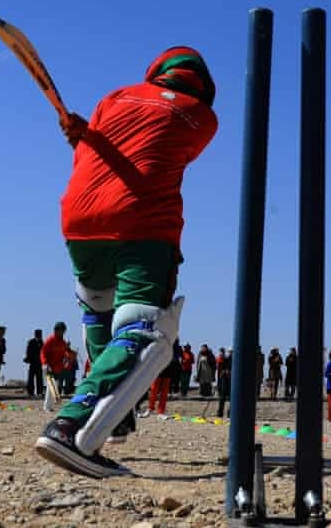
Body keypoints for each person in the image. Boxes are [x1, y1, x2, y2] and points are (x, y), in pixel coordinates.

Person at [33, 46, 218, 478]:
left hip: (80, 218)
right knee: (145, 329)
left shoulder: (113, 99)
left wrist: (85, 134)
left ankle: (118, 414)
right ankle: (71, 425)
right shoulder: (203, 118)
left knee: (98, 309)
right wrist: (90, 136)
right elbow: (160, 143)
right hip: (144, 224)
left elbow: (99, 152)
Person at [40, 322, 69, 411]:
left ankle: (50, 406)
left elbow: (64, 354)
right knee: (51, 385)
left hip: (57, 367)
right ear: (56, 330)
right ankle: (47, 407)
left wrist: (66, 358)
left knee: (55, 385)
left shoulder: (63, 342)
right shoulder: (50, 340)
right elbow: (43, 352)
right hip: (48, 366)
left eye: (63, 331)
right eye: (61, 331)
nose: (62, 333)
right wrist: (45, 363)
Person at [24, 329, 44, 398]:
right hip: (32, 362)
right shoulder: (31, 341)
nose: (40, 335)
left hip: (39, 362)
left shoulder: (41, 342)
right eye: (39, 334)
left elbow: (43, 351)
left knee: (39, 378)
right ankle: (30, 392)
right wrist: (28, 359)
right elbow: (28, 351)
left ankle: (40, 392)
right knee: (31, 378)